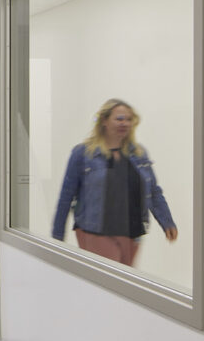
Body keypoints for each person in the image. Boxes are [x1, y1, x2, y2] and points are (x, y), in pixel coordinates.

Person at [52, 98, 177, 266]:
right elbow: (66, 195)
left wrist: (166, 221)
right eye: (119, 119)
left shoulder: (139, 154)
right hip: (96, 231)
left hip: (132, 232)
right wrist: (57, 237)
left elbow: (153, 191)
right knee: (107, 284)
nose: (124, 123)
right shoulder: (83, 153)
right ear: (104, 120)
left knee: (124, 286)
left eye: (128, 119)